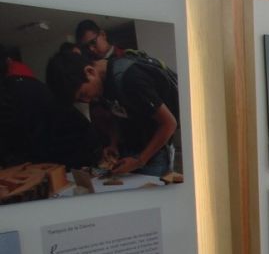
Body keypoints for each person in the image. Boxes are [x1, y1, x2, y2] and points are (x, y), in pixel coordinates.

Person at [46, 51, 177, 175]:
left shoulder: (131, 79)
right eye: (80, 100)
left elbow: (169, 124)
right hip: (133, 149)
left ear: (90, 72)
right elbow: (118, 113)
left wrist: (140, 161)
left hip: (155, 151)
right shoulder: (102, 83)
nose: (86, 101)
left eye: (83, 94)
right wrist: (113, 143)